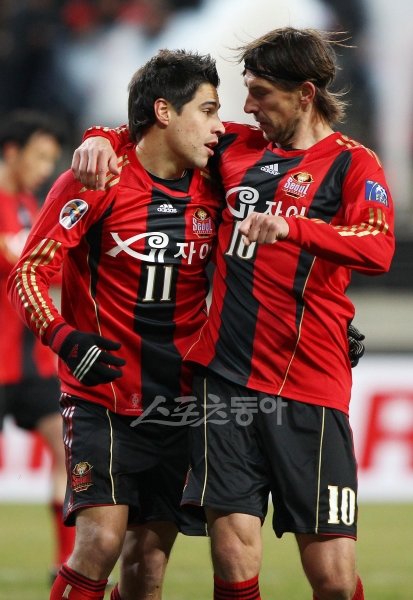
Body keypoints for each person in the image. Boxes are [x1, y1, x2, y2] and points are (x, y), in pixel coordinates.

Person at [70, 28, 394, 600]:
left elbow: (377, 245)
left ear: (305, 93)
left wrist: (292, 228)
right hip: (224, 384)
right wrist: (101, 136)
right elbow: (162, 128)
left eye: (261, 93)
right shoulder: (236, 148)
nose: (248, 107)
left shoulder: (353, 164)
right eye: (246, 91)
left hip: (310, 387)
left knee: (334, 581)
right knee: (232, 557)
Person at [8, 49, 225, 600]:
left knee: (147, 564)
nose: (220, 126)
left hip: (179, 401)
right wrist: (64, 338)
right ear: (164, 111)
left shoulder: (218, 179)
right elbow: (27, 273)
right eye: (208, 110)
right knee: (98, 544)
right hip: (100, 397)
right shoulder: (96, 179)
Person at [0, 110, 75, 580]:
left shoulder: (31, 206)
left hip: (33, 362)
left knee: (67, 449)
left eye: (52, 159)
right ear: (12, 152)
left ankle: (64, 563)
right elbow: (23, 264)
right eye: (41, 157)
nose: (47, 169)